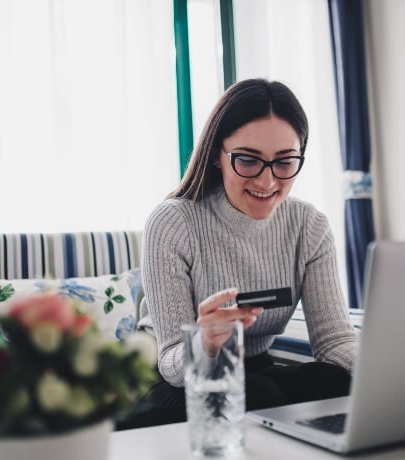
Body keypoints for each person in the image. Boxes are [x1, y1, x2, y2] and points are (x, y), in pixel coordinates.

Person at [119, 78, 357, 429]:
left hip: (252, 373)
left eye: (285, 162)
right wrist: (205, 340)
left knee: (336, 383)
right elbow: (171, 363)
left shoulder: (309, 227)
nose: (267, 181)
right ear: (218, 154)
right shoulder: (172, 223)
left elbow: (334, 342)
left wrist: (387, 369)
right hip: (167, 378)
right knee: (257, 394)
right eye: (248, 160)